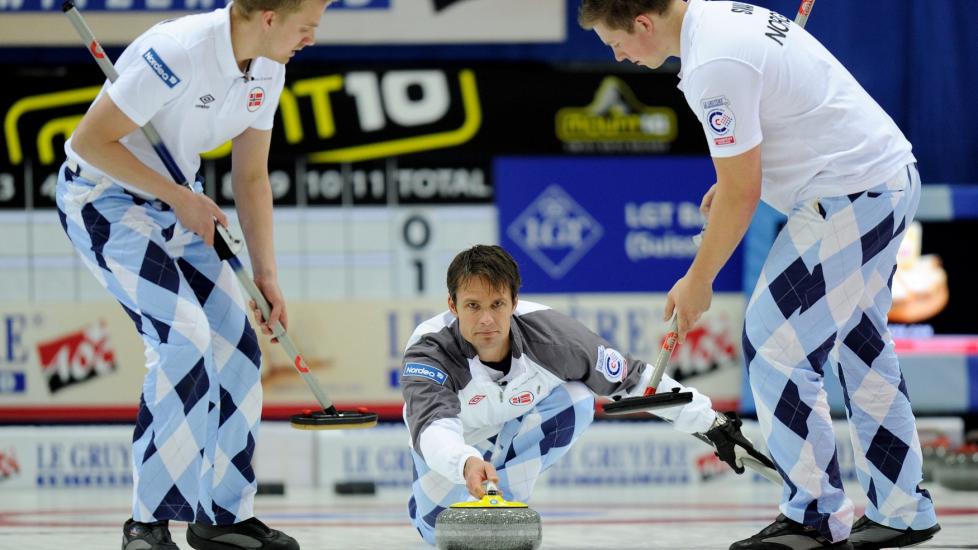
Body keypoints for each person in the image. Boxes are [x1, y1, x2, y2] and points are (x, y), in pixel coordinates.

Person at [578, 1, 940, 549]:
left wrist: (698, 279)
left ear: (644, 24)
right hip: (879, 182)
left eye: (615, 42)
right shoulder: (719, 20)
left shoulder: (711, 63)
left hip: (850, 194)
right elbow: (757, 149)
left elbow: (744, 192)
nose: (619, 55)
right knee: (861, 346)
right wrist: (733, 185)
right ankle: (903, 508)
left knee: (776, 347)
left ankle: (814, 517)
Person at [55, 0, 333, 548]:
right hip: (104, 199)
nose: (313, 39)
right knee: (183, 339)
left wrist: (266, 274)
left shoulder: (270, 65)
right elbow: (89, 142)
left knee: (238, 348)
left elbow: (251, 175)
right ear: (270, 17)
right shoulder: (178, 50)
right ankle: (147, 524)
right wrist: (178, 196)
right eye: (309, 26)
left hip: (179, 205)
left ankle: (221, 520)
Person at [400, 244, 768, 545]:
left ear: (514, 301)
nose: (486, 320)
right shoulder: (428, 351)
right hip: (454, 448)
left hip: (511, 430)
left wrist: (711, 422)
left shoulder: (555, 339)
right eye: (472, 306)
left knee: (577, 398)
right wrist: (465, 462)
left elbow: (636, 380)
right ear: (453, 306)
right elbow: (434, 430)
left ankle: (505, 504)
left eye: (497, 304)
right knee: (438, 530)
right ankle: (460, 503)